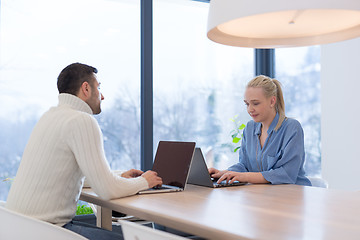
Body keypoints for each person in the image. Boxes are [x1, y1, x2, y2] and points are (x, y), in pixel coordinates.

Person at [6, 63, 163, 239]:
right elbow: (107, 190)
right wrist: (144, 181)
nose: (102, 96)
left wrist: (118, 177)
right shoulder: (80, 120)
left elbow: (71, 174)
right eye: (99, 87)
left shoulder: (50, 116)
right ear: (86, 88)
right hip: (45, 231)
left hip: (18, 228)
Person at [209, 75, 311, 186]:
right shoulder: (249, 128)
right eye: (247, 104)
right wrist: (223, 173)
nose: (250, 109)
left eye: (255, 103)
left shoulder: (291, 128)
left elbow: (286, 174)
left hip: (292, 195)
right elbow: (244, 166)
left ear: (272, 101)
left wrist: (245, 177)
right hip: (264, 195)